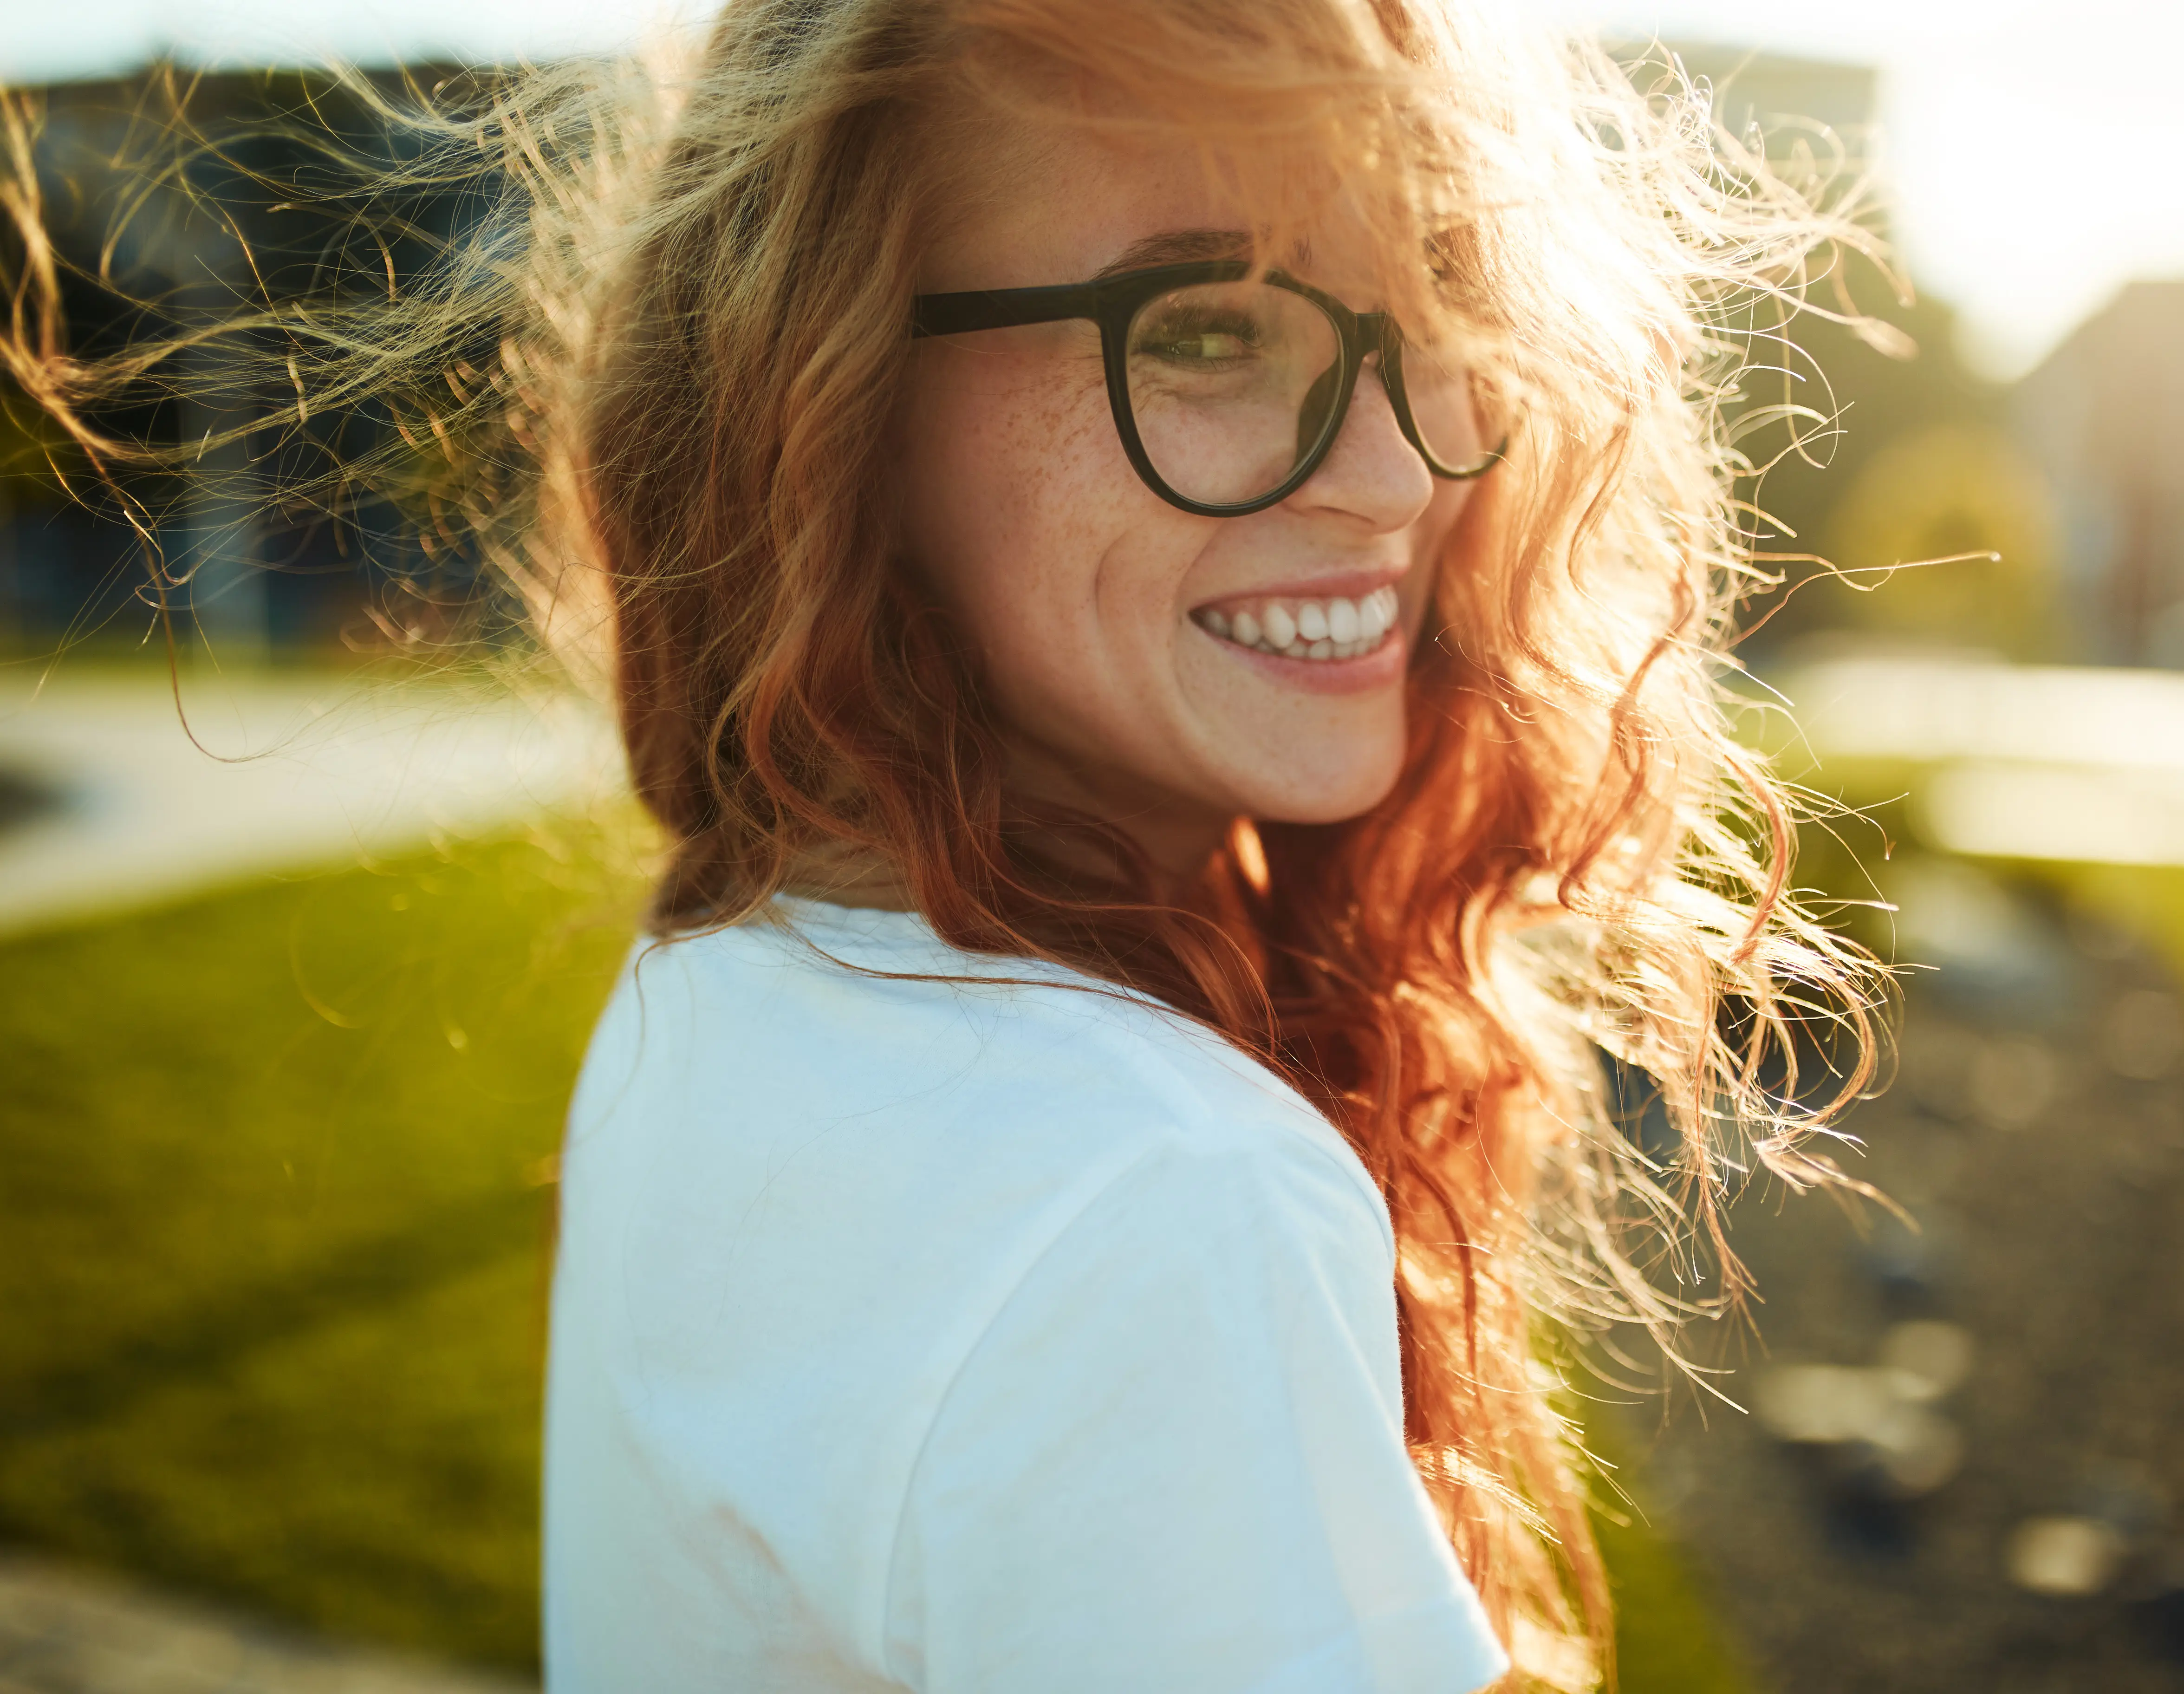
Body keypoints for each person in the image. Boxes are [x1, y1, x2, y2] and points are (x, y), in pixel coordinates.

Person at [5, 0, 1878, 1687]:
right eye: (1211, 327)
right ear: (820, 404)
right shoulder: (1149, 1197)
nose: (1397, 473)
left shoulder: (750, 981)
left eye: (1446, 306)